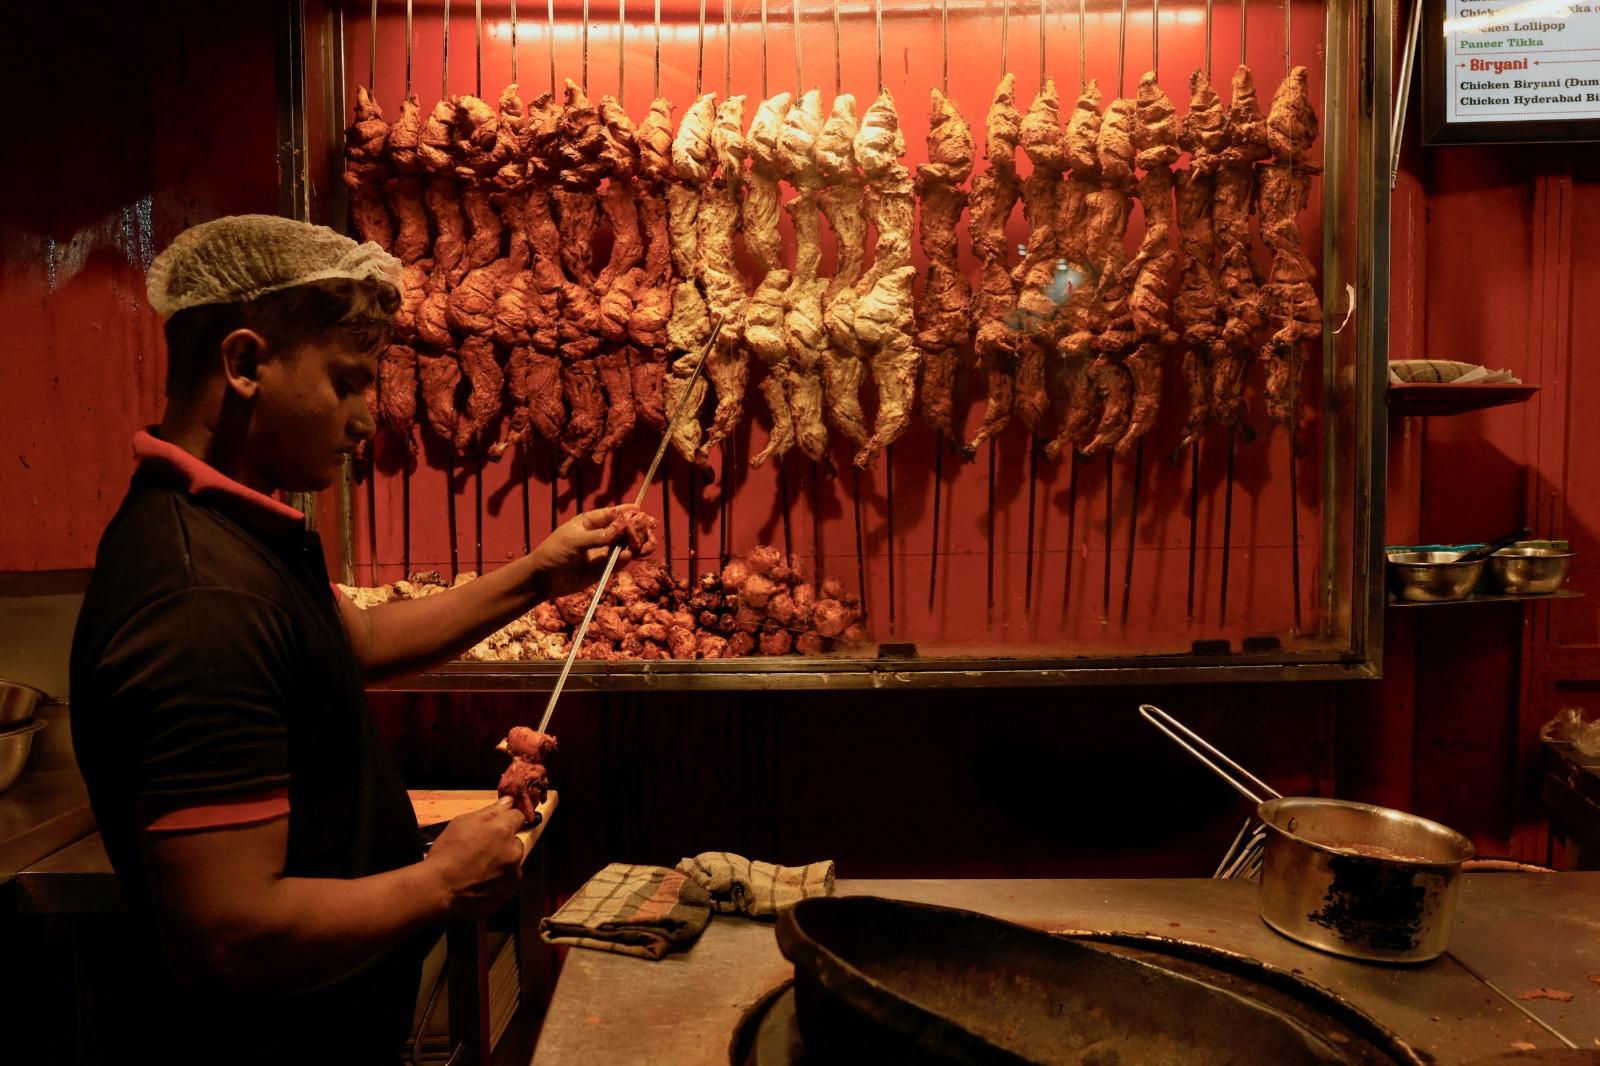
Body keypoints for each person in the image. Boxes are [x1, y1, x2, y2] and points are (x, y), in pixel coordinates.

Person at [68, 215, 648, 1063]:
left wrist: (537, 575)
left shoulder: (235, 531)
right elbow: (228, 935)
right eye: (346, 383)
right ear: (244, 365)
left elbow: (363, 641)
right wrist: (440, 883)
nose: (364, 420)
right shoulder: (201, 600)